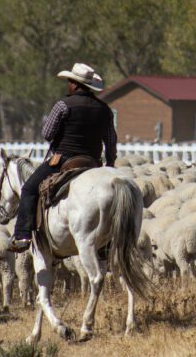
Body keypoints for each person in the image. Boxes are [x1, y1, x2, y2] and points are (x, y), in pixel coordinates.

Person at [10, 63, 118, 252]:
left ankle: (23, 235)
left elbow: (47, 133)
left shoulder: (63, 105)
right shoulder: (105, 110)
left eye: (69, 81)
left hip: (63, 160)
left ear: (75, 84)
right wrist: (110, 164)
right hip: (92, 164)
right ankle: (106, 243)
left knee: (28, 189)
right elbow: (111, 140)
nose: (68, 84)